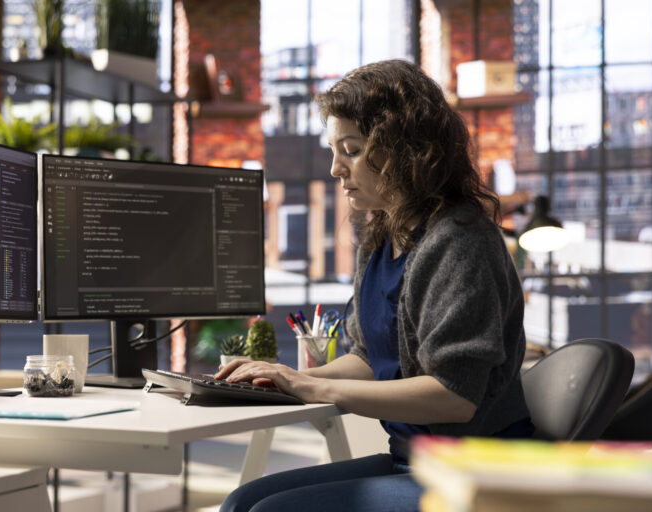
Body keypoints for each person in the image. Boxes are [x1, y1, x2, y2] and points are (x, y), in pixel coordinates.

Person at [217, 59, 532, 512]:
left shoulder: (458, 241)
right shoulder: (381, 236)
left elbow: (454, 396)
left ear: (407, 151)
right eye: (334, 150)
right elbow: (368, 360)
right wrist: (286, 380)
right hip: (412, 461)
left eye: (352, 150)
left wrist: (313, 388)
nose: (335, 170)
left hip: (477, 472)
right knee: (242, 501)